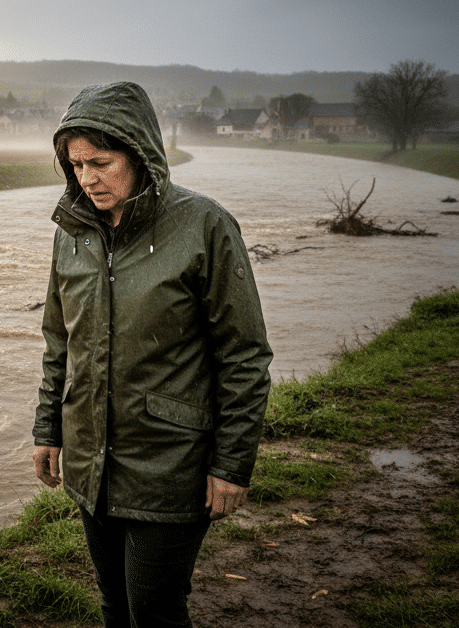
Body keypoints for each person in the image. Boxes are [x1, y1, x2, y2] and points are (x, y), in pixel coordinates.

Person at [32, 82, 271, 627]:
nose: (87, 179)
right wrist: (49, 429)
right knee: (114, 604)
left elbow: (244, 356)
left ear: (139, 154)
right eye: (75, 165)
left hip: (172, 465)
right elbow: (59, 340)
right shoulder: (72, 231)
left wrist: (232, 464)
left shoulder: (205, 226)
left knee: (155, 611)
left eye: (100, 162)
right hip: (93, 461)